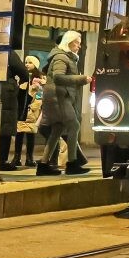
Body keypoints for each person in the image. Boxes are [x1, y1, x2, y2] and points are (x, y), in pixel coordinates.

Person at [36, 31, 92, 176]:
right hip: (58, 97)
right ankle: (72, 163)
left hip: (57, 97)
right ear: (69, 42)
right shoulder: (61, 57)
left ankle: (43, 164)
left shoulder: (66, 57)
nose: (79, 46)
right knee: (74, 125)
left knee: (57, 129)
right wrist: (81, 79)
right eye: (77, 42)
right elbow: (58, 77)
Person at [12, 59, 44, 168]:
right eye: (26, 62)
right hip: (22, 110)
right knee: (19, 134)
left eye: (30, 62)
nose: (26, 65)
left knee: (30, 135)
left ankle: (29, 158)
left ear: (35, 65)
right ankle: (17, 158)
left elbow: (40, 96)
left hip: (32, 111)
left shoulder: (40, 78)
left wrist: (34, 106)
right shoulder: (23, 77)